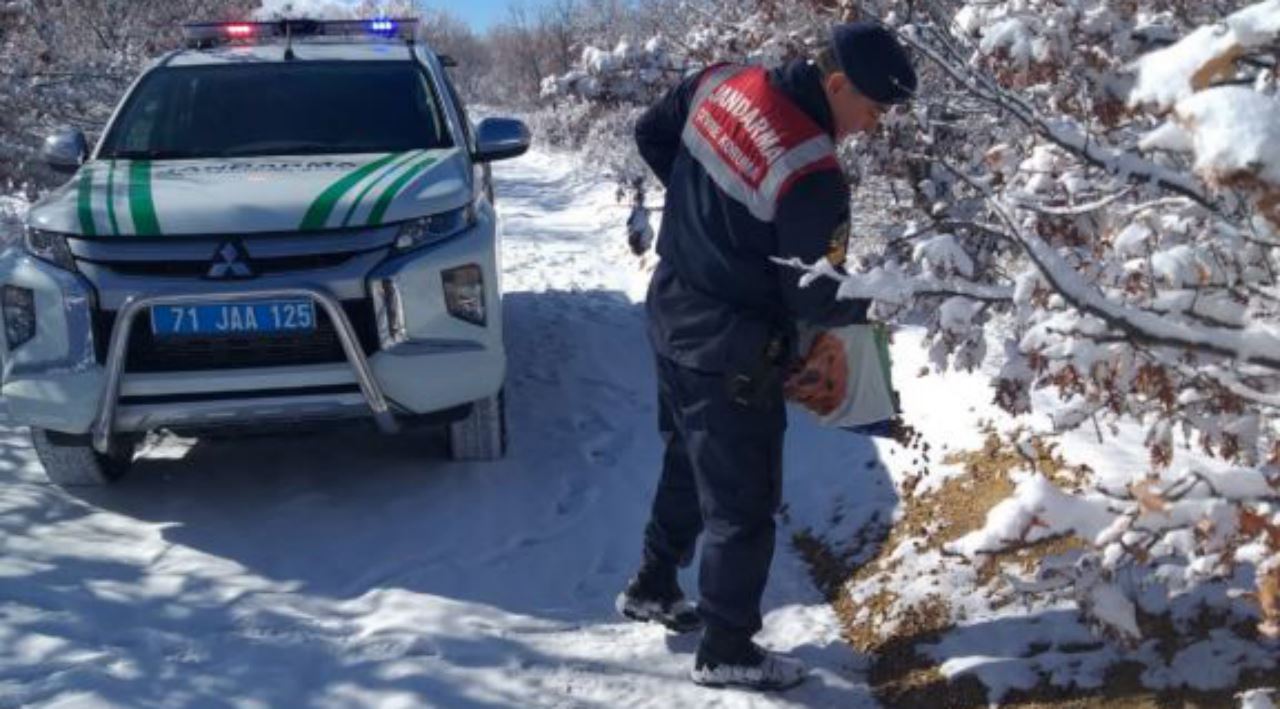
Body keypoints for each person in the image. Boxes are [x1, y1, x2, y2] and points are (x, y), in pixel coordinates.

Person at [615, 21, 917, 691]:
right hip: (732, 348)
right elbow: (814, 297)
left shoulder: (722, 81)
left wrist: (706, 218)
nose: (871, 125)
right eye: (870, 108)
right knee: (743, 500)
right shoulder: (812, 169)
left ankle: (653, 583)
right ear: (835, 83)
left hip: (669, 307)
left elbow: (650, 134)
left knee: (687, 454)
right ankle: (727, 645)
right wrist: (865, 350)